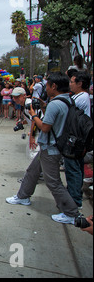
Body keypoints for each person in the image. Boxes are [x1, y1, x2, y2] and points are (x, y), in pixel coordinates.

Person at [6, 72, 81, 224]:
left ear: (54, 86)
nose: (45, 88)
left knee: (53, 182)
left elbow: (45, 127)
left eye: (47, 85)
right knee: (32, 171)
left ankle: (72, 213)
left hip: (51, 148)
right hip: (53, 146)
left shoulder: (56, 103)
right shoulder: (67, 101)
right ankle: (23, 196)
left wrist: (34, 115)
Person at [63, 71, 92, 208]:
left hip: (76, 139)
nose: (70, 84)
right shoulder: (80, 96)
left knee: (73, 171)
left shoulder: (81, 98)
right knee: (76, 170)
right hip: (77, 138)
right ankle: (74, 198)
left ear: (80, 84)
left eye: (72, 82)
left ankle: (73, 203)